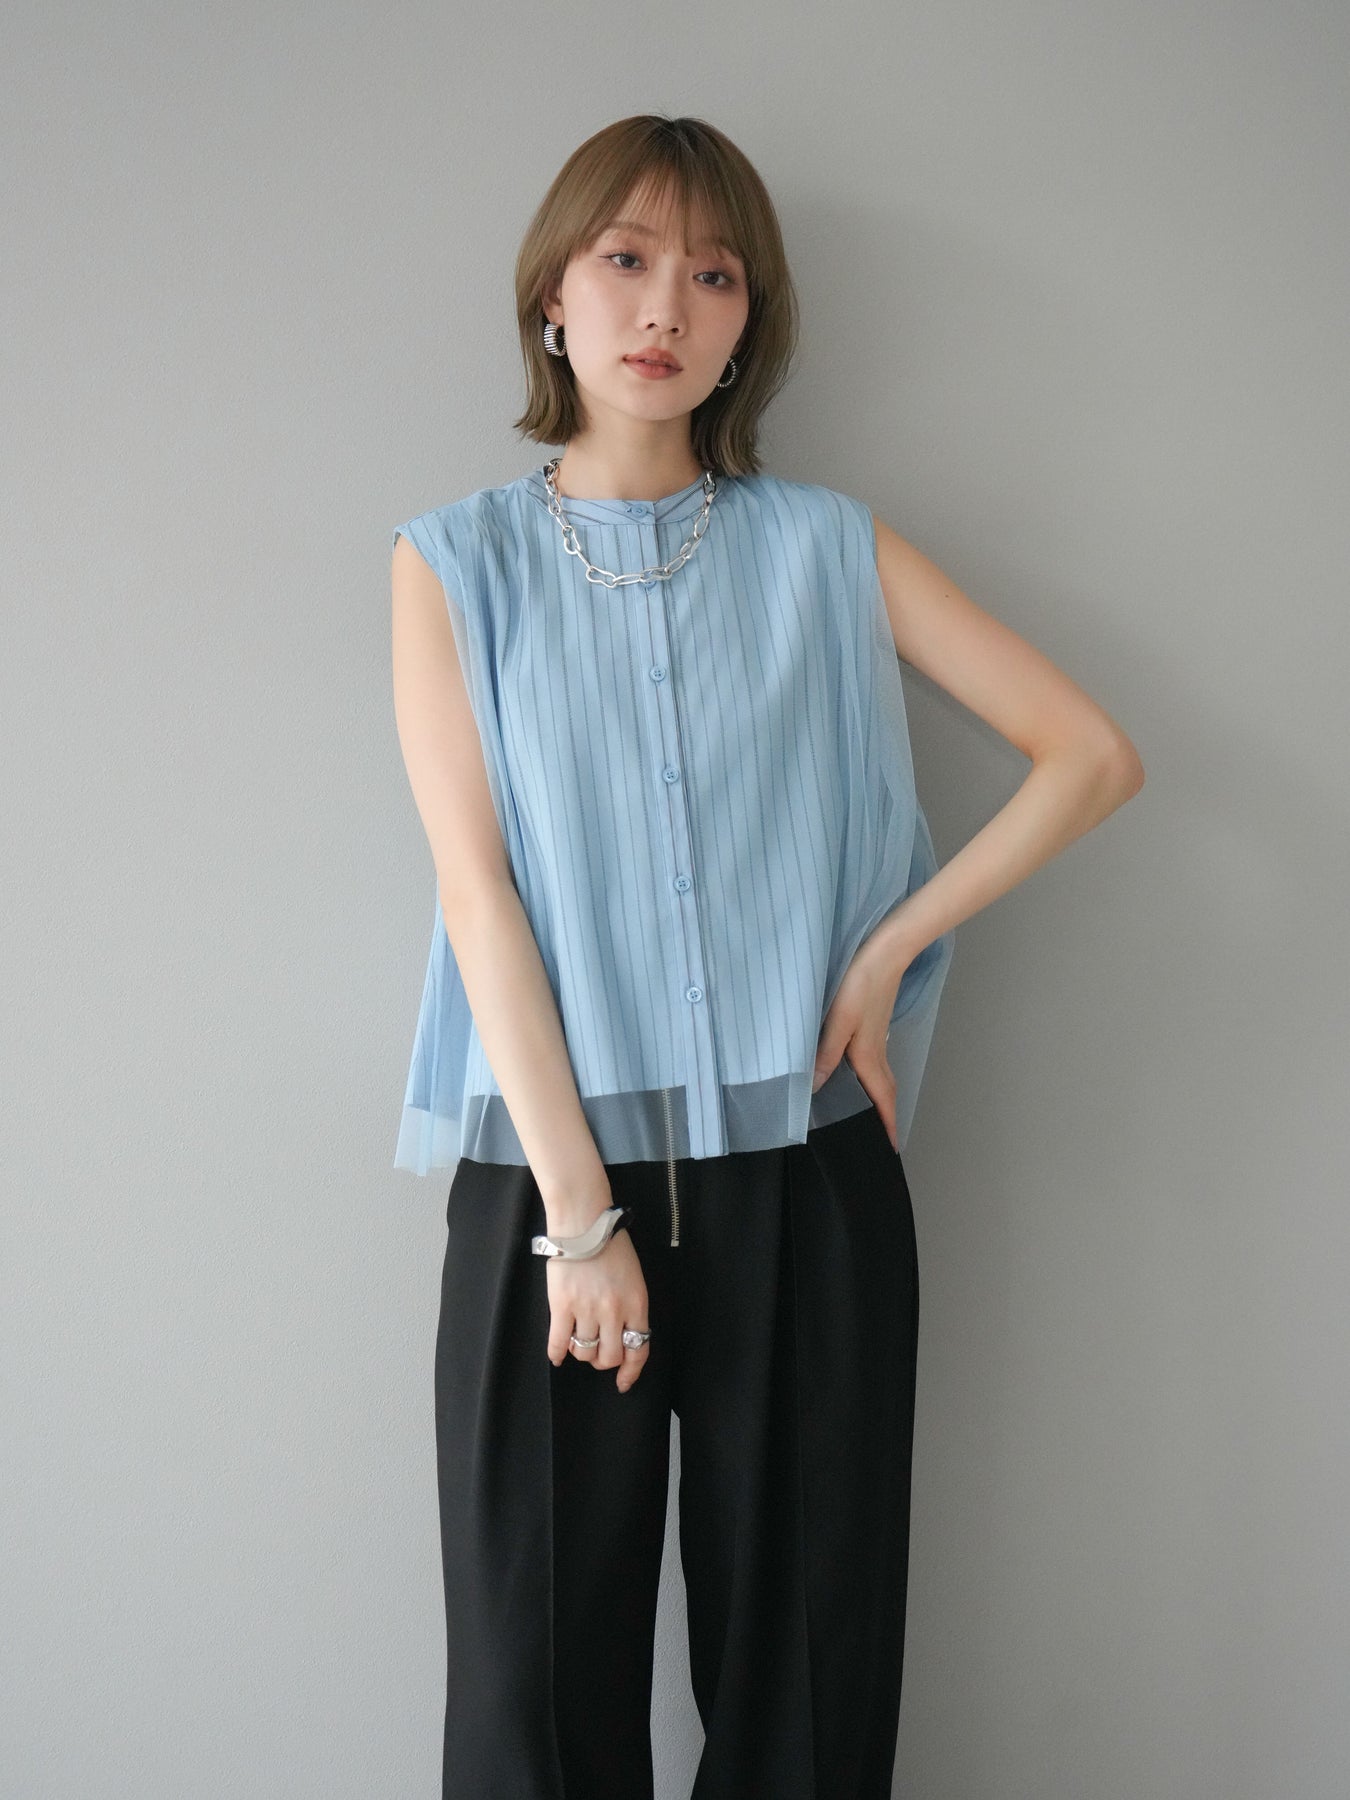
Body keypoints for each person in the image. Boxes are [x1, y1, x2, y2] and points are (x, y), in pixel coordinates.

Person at [390, 113, 1143, 1800]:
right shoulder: (453, 565)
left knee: (806, 1681)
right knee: (531, 1705)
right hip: (550, 1196)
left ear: (749, 322)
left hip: (805, 1176)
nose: (667, 304)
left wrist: (885, 956)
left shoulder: (826, 545)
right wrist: (579, 1224)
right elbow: (476, 897)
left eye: (714, 274)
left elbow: (1089, 756)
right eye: (626, 259)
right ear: (553, 296)